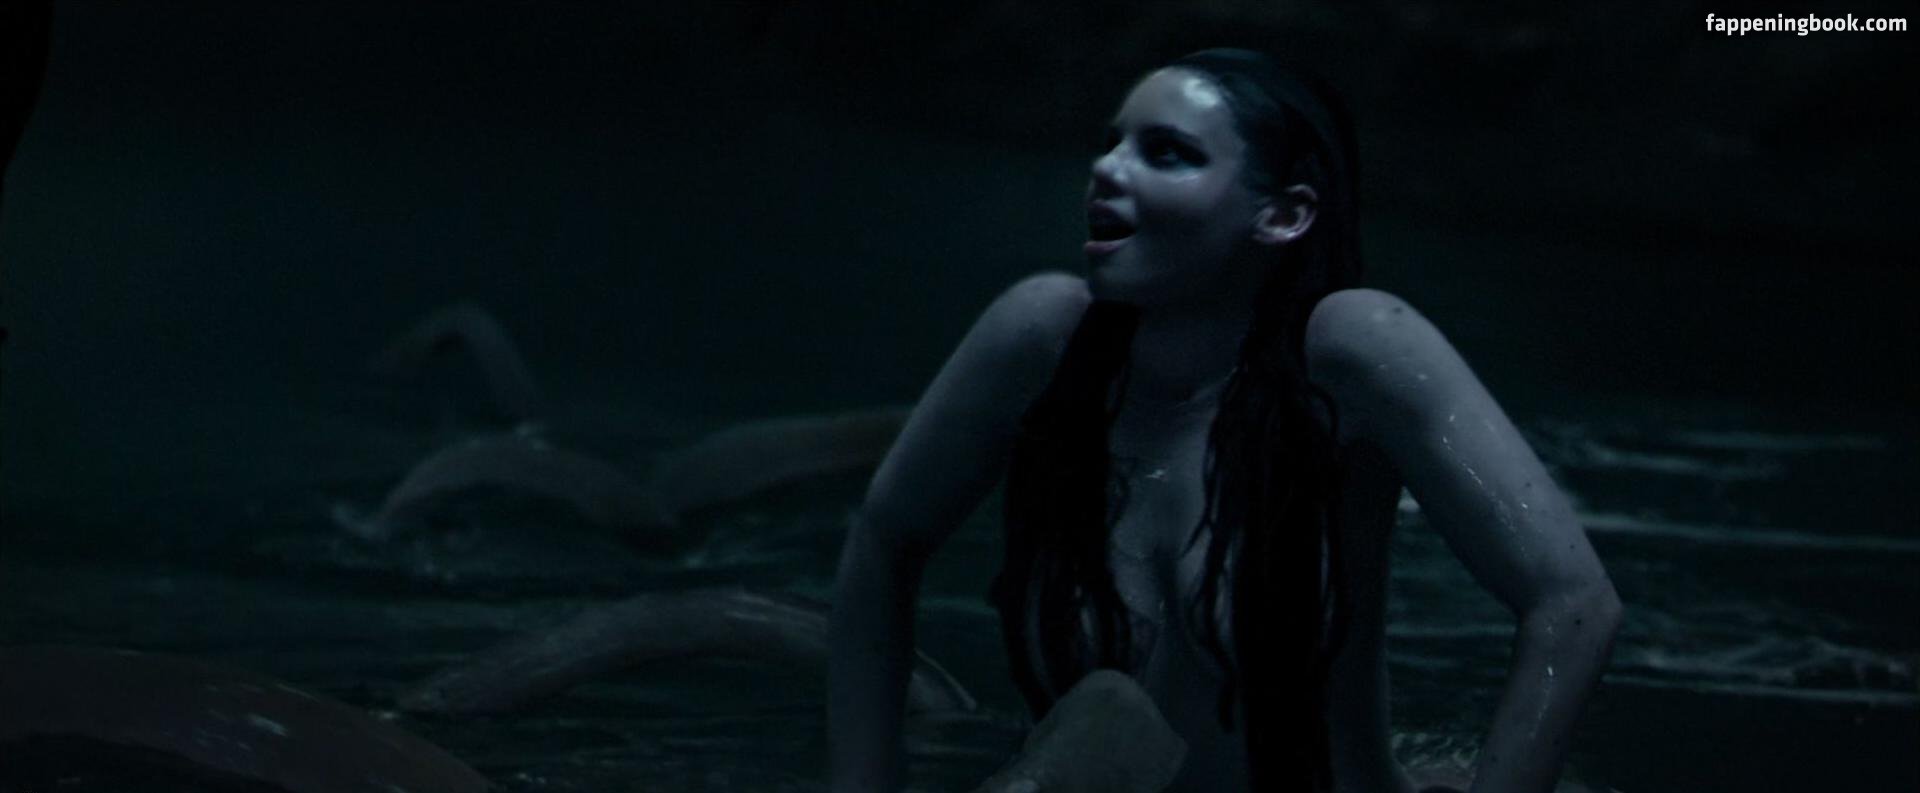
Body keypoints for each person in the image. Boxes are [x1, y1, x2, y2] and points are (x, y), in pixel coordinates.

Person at [828, 48, 1621, 793]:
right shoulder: (1042, 341)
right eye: (1112, 143)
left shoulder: (1352, 352)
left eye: (1166, 152)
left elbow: (1575, 605)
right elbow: (883, 538)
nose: (1107, 168)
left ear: (1283, 215)